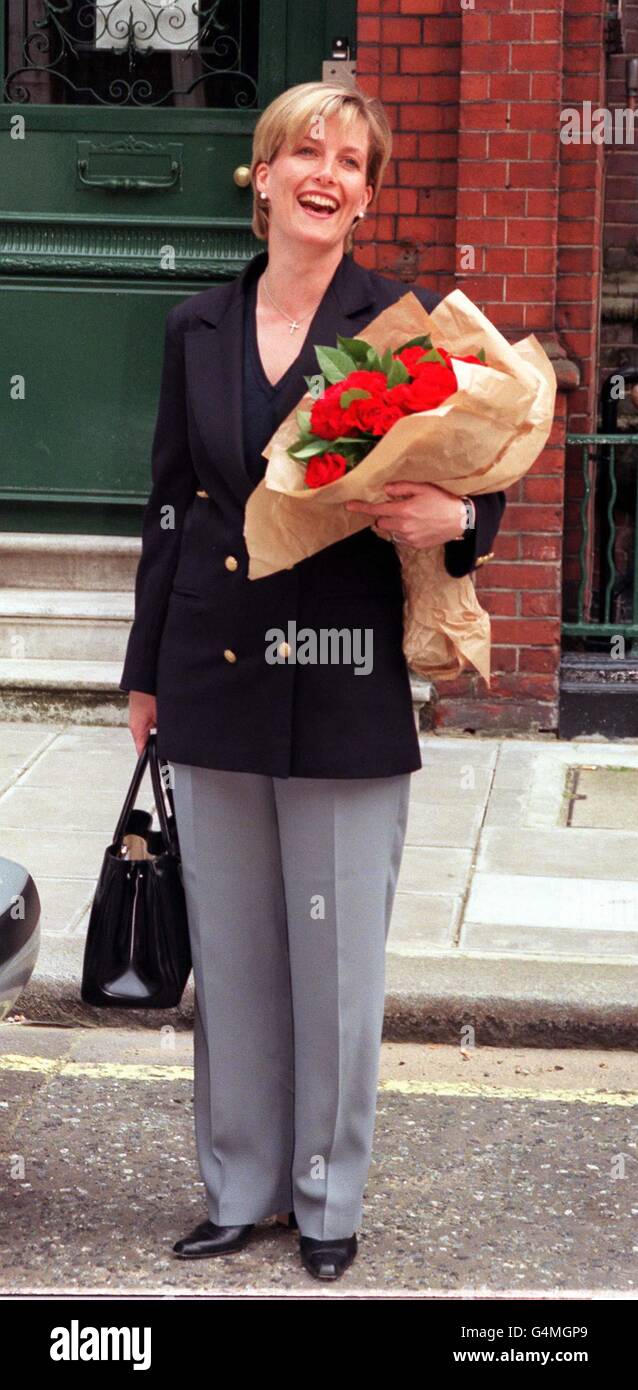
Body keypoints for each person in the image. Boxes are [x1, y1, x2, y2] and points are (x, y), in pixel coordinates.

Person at [119, 80, 506, 1282]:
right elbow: (172, 506)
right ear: (266, 173)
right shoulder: (195, 326)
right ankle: (238, 1187)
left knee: (333, 963)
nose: (325, 173)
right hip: (213, 674)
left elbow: (475, 471)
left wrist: (457, 512)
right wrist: (144, 676)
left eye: (349, 160)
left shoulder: (394, 320)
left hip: (340, 684)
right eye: (305, 151)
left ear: (365, 196)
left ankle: (326, 1202)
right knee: (233, 957)